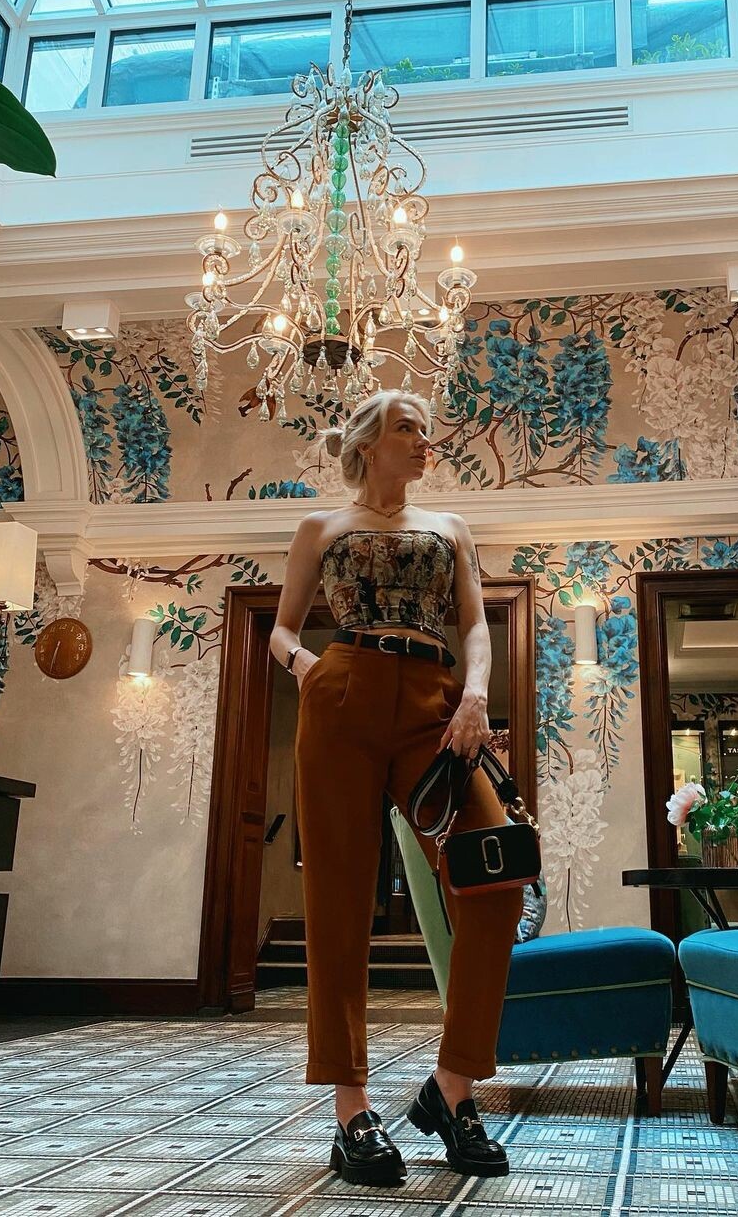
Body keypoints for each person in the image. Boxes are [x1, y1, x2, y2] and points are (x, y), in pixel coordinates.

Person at [271, 388, 523, 1187]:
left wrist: (476, 696)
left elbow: (474, 624)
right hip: (342, 690)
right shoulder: (321, 527)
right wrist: (309, 670)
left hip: (435, 704)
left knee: (496, 880)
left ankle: (451, 1088)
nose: (424, 442)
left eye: (426, 431)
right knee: (340, 900)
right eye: (408, 429)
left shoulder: (450, 527)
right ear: (369, 442)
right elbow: (281, 628)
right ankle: (351, 1110)